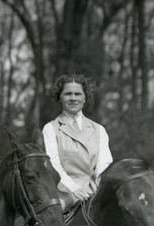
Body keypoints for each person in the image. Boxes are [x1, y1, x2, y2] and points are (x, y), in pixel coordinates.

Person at [42, 74, 112, 211]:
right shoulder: (51, 128)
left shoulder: (99, 130)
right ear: (59, 98)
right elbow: (53, 165)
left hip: (95, 190)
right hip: (64, 192)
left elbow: (105, 164)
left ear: (85, 98)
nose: (73, 98)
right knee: (50, 218)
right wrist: (74, 189)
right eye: (68, 94)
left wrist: (96, 188)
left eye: (78, 94)